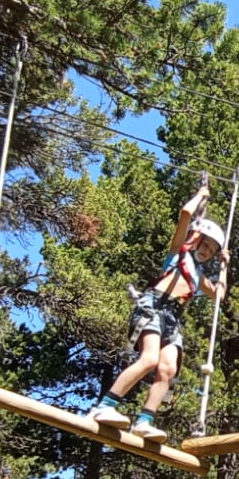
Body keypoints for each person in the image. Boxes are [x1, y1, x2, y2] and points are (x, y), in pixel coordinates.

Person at [85, 182, 228, 442]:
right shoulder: (178, 253)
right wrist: (200, 195)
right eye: (204, 246)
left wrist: (224, 267)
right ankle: (104, 406)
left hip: (172, 320)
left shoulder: (199, 276)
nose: (206, 252)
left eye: (211, 251)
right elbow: (186, 214)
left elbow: (219, 295)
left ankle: (145, 420)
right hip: (154, 306)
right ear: (195, 240)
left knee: (168, 369)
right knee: (149, 359)